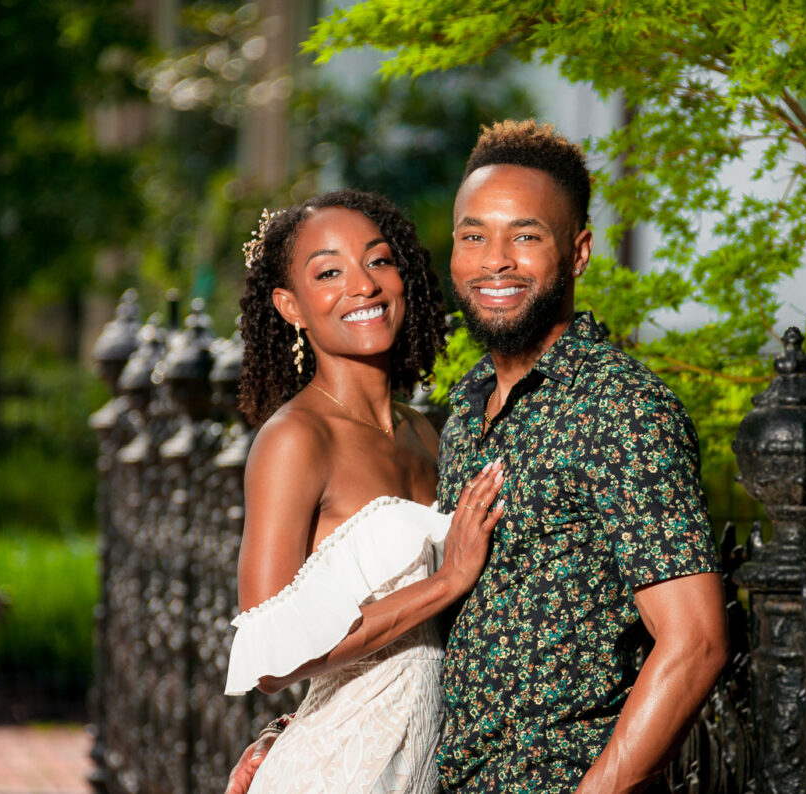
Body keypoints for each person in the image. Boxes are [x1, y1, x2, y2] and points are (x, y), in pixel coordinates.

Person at [432, 120, 728, 793]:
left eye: (525, 236)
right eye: (473, 236)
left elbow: (697, 641)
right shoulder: (463, 412)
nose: (495, 260)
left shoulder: (620, 407)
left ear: (579, 251)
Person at [223, 189, 506, 794]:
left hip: (426, 763)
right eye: (329, 272)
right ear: (290, 305)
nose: (363, 286)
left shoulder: (427, 433)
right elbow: (270, 655)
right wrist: (447, 581)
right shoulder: (295, 440)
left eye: (377, 261)